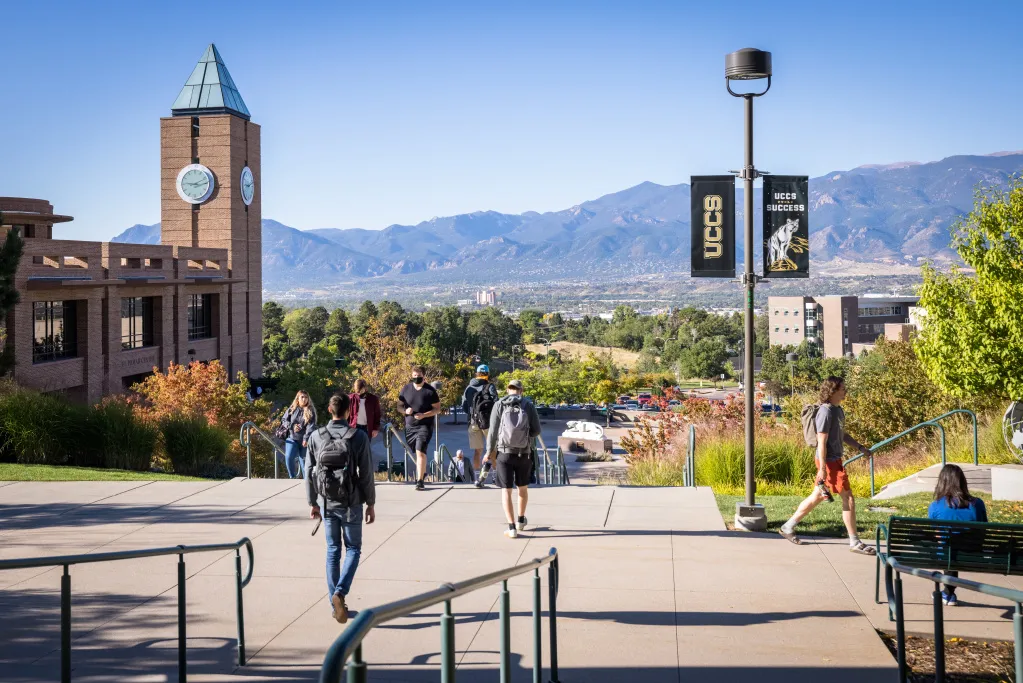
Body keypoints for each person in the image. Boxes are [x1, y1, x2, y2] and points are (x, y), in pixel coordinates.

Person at [779, 376, 876, 555]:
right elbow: (821, 441)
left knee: (817, 496)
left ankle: (787, 526)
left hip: (834, 460)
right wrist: (822, 468)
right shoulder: (825, 412)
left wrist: (860, 447)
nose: (845, 391)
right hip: (828, 461)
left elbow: (842, 434)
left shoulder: (838, 410)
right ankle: (854, 541)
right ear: (832, 390)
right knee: (849, 498)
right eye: (842, 388)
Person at [307, 393, 376, 624]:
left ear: (329, 409)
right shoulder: (358, 437)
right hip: (352, 502)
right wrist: (371, 503)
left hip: (327, 503)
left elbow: (308, 473)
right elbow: (366, 473)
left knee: (333, 551)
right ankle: (340, 593)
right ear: (349, 412)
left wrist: (312, 502)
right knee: (354, 549)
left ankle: (334, 604)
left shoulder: (317, 436)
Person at [486, 379, 542, 539]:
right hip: (524, 453)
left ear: (508, 389)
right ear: (521, 390)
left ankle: (511, 528)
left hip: (504, 453)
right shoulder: (528, 405)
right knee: (522, 489)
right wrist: (526, 437)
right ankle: (520, 520)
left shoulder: (499, 404)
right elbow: (537, 430)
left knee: (506, 491)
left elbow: (493, 431)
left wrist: (489, 451)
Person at [928, 464, 988, 606]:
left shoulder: (935, 506)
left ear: (942, 482)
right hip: (973, 552)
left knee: (947, 547)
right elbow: (984, 529)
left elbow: (936, 534)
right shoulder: (978, 503)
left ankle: (948, 593)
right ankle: (949, 593)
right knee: (952, 547)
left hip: (947, 553)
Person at [398, 366, 441, 491]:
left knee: (420, 451)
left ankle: (420, 480)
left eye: (419, 375)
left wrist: (424, 415)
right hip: (410, 426)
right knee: (415, 450)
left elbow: (437, 409)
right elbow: (399, 406)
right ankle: (422, 472)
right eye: (414, 376)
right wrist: (405, 411)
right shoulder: (406, 389)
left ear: (424, 376)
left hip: (425, 426)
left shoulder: (430, 391)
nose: (417, 378)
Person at [462, 364, 499, 472]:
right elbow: (496, 403)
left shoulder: (469, 388)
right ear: (487, 374)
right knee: (492, 449)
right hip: (487, 422)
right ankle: (496, 474)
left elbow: (464, 406)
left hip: (473, 422)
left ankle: (477, 476)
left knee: (477, 451)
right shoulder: (489, 386)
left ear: (476, 374)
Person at [280, 390, 317, 479]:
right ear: (298, 399)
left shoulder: (310, 410)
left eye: (306, 397)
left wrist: (306, 438)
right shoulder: (292, 409)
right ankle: (292, 477)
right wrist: (291, 426)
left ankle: (306, 482)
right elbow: (284, 420)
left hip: (304, 441)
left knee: (304, 464)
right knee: (289, 458)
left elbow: (311, 426)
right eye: (302, 397)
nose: (304, 399)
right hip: (292, 438)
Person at [348, 379, 382, 461]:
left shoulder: (373, 399)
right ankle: (354, 471)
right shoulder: (350, 398)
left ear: (365, 388)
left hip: (367, 429)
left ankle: (362, 471)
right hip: (353, 428)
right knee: (353, 451)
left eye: (360, 390)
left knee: (364, 452)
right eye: (357, 391)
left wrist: (375, 428)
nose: (359, 393)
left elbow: (377, 415)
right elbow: (346, 415)